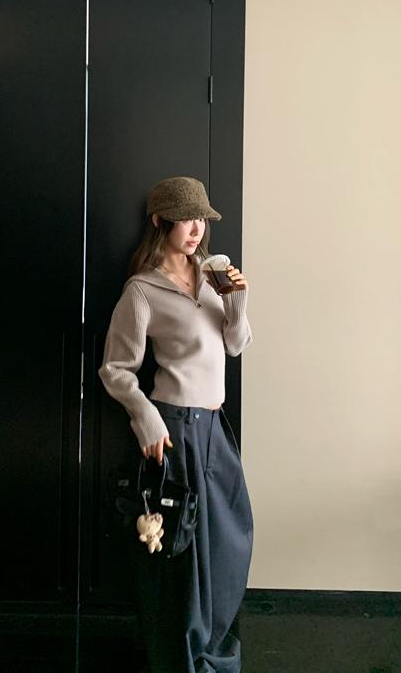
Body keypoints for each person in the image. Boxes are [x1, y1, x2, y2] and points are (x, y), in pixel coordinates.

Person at [98, 175, 254, 673]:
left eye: (201, 219)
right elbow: (115, 369)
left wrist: (236, 299)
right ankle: (183, 655)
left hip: (214, 429)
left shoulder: (211, 277)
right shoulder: (142, 290)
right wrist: (144, 417)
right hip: (173, 429)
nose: (196, 229)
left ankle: (208, 646)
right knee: (182, 554)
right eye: (186, 219)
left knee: (228, 540)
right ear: (159, 221)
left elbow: (235, 345)